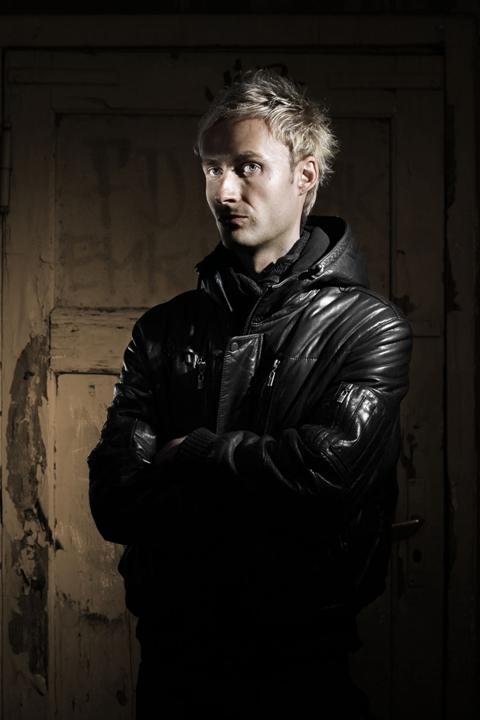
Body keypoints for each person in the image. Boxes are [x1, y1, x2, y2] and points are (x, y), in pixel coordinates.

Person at [88, 68, 412, 719]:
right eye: (212, 169)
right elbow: (115, 498)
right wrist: (257, 485)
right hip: (175, 661)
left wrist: (195, 453)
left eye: (247, 166)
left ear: (305, 176)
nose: (224, 190)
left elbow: (326, 475)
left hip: (302, 664)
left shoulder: (370, 327)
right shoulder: (162, 330)